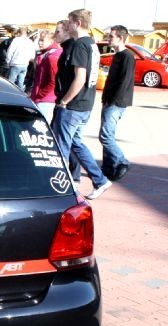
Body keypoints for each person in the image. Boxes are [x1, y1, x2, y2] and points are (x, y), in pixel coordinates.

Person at [52, 9, 112, 200]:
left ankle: (61, 189)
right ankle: (100, 180)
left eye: (69, 22)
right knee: (76, 143)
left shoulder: (79, 45)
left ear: (77, 23)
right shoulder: (91, 44)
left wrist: (64, 100)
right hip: (85, 103)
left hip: (73, 105)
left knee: (61, 146)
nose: (67, 25)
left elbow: (80, 77)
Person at [99, 24, 135, 182]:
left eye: (111, 36)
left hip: (116, 103)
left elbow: (124, 82)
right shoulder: (117, 55)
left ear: (120, 38)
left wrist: (113, 101)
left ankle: (122, 161)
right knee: (108, 135)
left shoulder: (127, 56)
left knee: (105, 136)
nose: (108, 39)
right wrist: (105, 98)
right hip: (109, 100)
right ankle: (108, 168)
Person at [30, 27, 63, 121]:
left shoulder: (52, 56)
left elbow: (53, 81)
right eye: (39, 40)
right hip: (43, 98)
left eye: (42, 40)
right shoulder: (46, 54)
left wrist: (40, 94)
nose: (39, 43)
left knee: (41, 125)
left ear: (51, 41)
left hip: (46, 99)